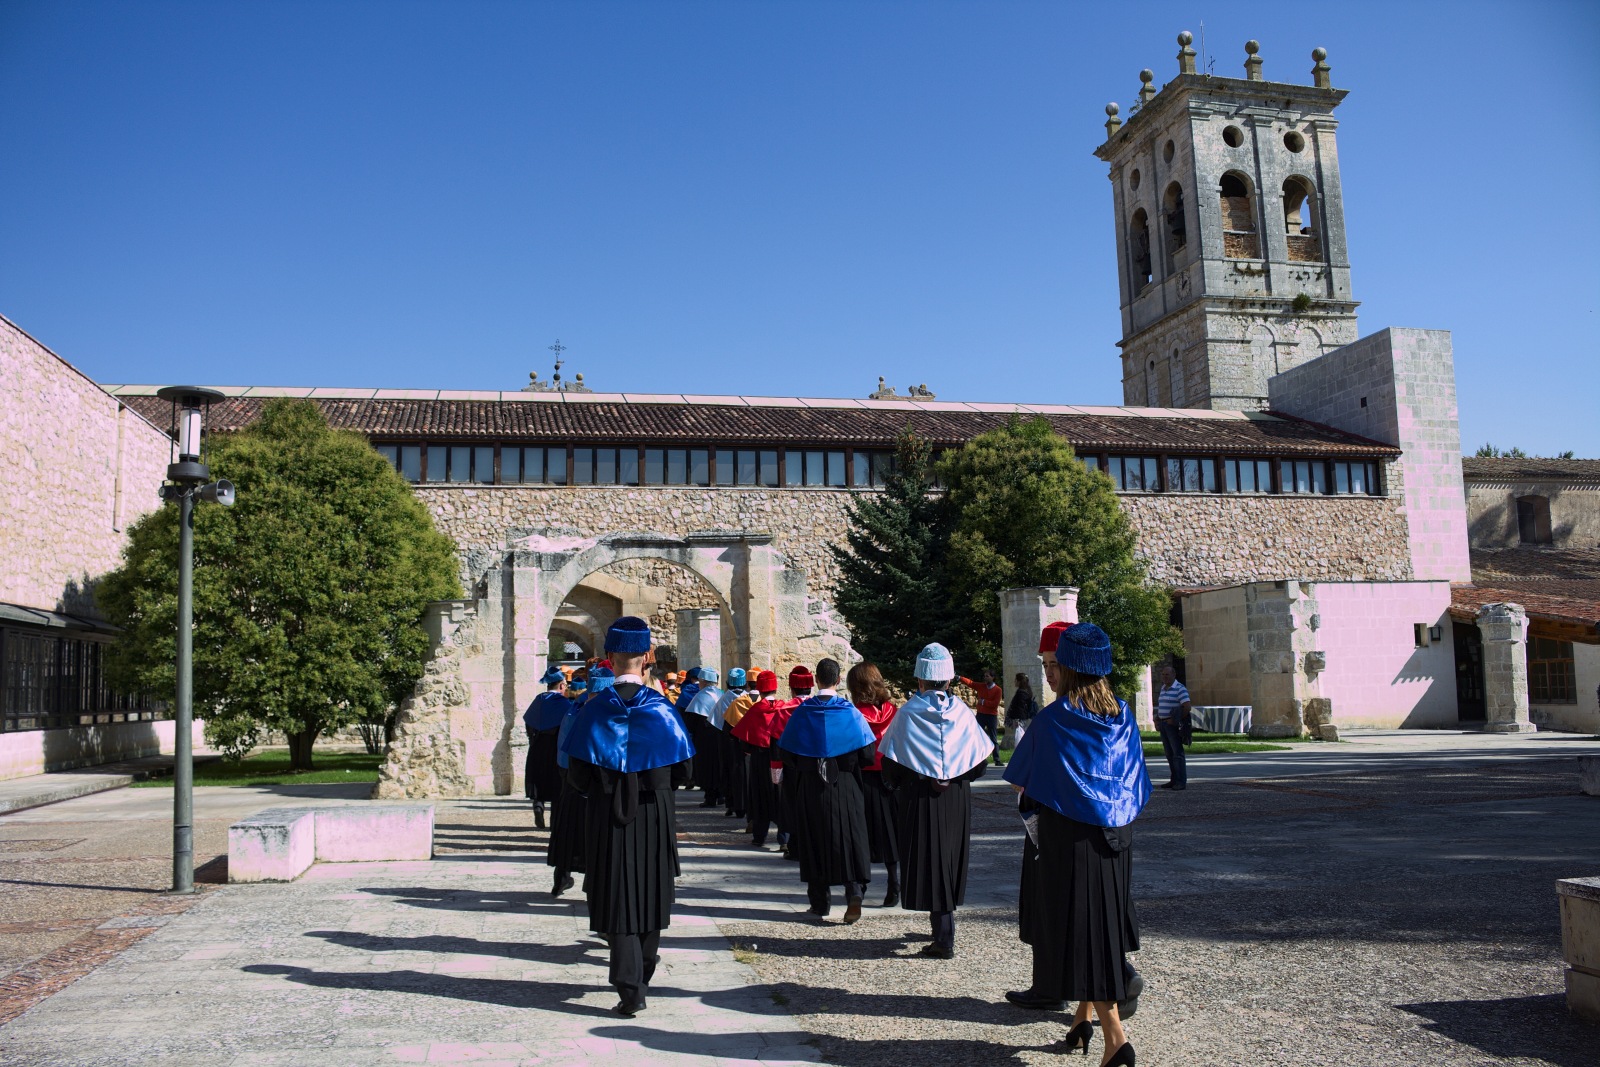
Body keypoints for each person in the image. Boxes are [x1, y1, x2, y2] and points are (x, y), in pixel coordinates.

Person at [1003, 622, 1150, 1067]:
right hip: (1116, 838)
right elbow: (1135, 778)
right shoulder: (1123, 716)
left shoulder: (1055, 720)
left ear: (1068, 666)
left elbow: (1022, 781)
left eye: (1055, 664)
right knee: (1103, 925)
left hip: (1070, 839)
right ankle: (1081, 1019)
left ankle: (1116, 1041)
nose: (1051, 672)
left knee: (1081, 933)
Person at [562, 616, 695, 1017]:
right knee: (653, 887)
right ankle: (644, 968)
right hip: (654, 813)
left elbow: (577, 776)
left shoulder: (594, 710)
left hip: (606, 812)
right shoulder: (662, 709)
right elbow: (685, 771)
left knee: (615, 890)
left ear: (609, 656)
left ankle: (629, 986)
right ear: (648, 656)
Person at [876, 643, 993, 958]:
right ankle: (943, 929)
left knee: (929, 860)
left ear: (920, 680)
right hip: (955, 798)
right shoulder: (963, 714)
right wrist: (956, 772)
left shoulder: (909, 713)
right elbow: (980, 764)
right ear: (950, 680)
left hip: (919, 797)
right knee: (949, 859)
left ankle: (943, 937)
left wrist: (900, 782)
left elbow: (891, 765)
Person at [774, 658, 877, 922]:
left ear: (816, 680)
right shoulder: (851, 712)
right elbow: (868, 754)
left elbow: (787, 753)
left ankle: (820, 903)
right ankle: (854, 891)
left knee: (813, 839)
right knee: (850, 837)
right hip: (845, 784)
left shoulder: (802, 712)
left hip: (811, 786)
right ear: (838, 680)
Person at [847, 661, 901, 908]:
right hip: (890, 776)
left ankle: (860, 885)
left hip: (864, 777)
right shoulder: (894, 711)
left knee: (861, 832)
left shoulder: (855, 714)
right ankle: (894, 883)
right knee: (890, 831)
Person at [546, 666, 597, 897]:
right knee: (593, 834)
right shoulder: (594, 712)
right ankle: (593, 884)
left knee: (567, 831)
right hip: (590, 781)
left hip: (568, 778)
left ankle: (561, 878)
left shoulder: (572, 710)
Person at [730, 670, 793, 850]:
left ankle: (759, 836)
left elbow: (744, 740)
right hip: (780, 758)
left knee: (759, 796)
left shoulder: (755, 710)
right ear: (775, 687)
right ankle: (784, 839)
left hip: (759, 759)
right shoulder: (784, 708)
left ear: (759, 688)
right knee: (781, 797)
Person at [524, 667, 572, 830]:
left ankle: (538, 804)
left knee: (538, 778)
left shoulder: (538, 700)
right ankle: (554, 821)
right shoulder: (564, 704)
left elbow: (528, 722)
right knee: (557, 784)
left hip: (537, 746)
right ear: (561, 686)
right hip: (556, 747)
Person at [682, 668, 726, 807]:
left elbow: (691, 721)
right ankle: (721, 794)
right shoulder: (722, 695)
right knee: (719, 765)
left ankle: (710, 797)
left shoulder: (700, 697)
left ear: (704, 682)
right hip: (721, 736)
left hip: (704, 738)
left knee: (707, 767)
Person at [714, 668, 750, 819]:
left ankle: (731, 804)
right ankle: (745, 803)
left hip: (727, 740)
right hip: (746, 740)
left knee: (728, 770)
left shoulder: (723, 699)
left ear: (728, 683)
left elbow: (716, 721)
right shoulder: (749, 699)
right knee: (744, 772)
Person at [1155, 663, 1191, 791]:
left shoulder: (1180, 688)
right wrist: (1157, 719)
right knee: (1169, 754)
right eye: (1163, 674)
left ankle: (1180, 781)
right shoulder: (1163, 688)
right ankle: (1174, 779)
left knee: (1177, 753)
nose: (1165, 677)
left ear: (1174, 675)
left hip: (1172, 725)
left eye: (1167, 674)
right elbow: (1161, 706)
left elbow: (1187, 707)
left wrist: (1175, 720)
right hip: (1163, 724)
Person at [967, 670, 1005, 765]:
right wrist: (959, 678)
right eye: (985, 676)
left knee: (993, 738)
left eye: (987, 676)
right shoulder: (982, 686)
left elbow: (995, 704)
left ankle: (997, 759)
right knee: (977, 737)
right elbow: (971, 683)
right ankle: (978, 759)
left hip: (991, 716)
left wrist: (983, 702)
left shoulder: (998, 690)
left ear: (993, 677)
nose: (985, 678)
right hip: (980, 715)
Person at [1007, 672, 1038, 750]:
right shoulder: (1027, 691)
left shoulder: (1021, 693)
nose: (1014, 681)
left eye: (1016, 680)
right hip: (1024, 718)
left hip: (1020, 719)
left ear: (1019, 681)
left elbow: (1020, 708)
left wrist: (1017, 720)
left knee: (1020, 738)